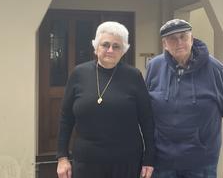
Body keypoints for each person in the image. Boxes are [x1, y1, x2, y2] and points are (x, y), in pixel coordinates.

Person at [56, 21, 155, 178]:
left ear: (123, 50)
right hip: (86, 162)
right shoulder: (78, 74)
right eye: (105, 45)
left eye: (116, 46)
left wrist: (149, 159)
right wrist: (62, 158)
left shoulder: (134, 76)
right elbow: (66, 118)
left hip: (126, 162)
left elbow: (147, 120)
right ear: (96, 47)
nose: (110, 50)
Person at [145, 19, 223, 178]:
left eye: (183, 37)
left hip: (201, 160)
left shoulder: (214, 68)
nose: (179, 42)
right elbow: (147, 106)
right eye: (172, 38)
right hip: (163, 160)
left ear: (192, 39)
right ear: (165, 44)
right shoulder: (154, 66)